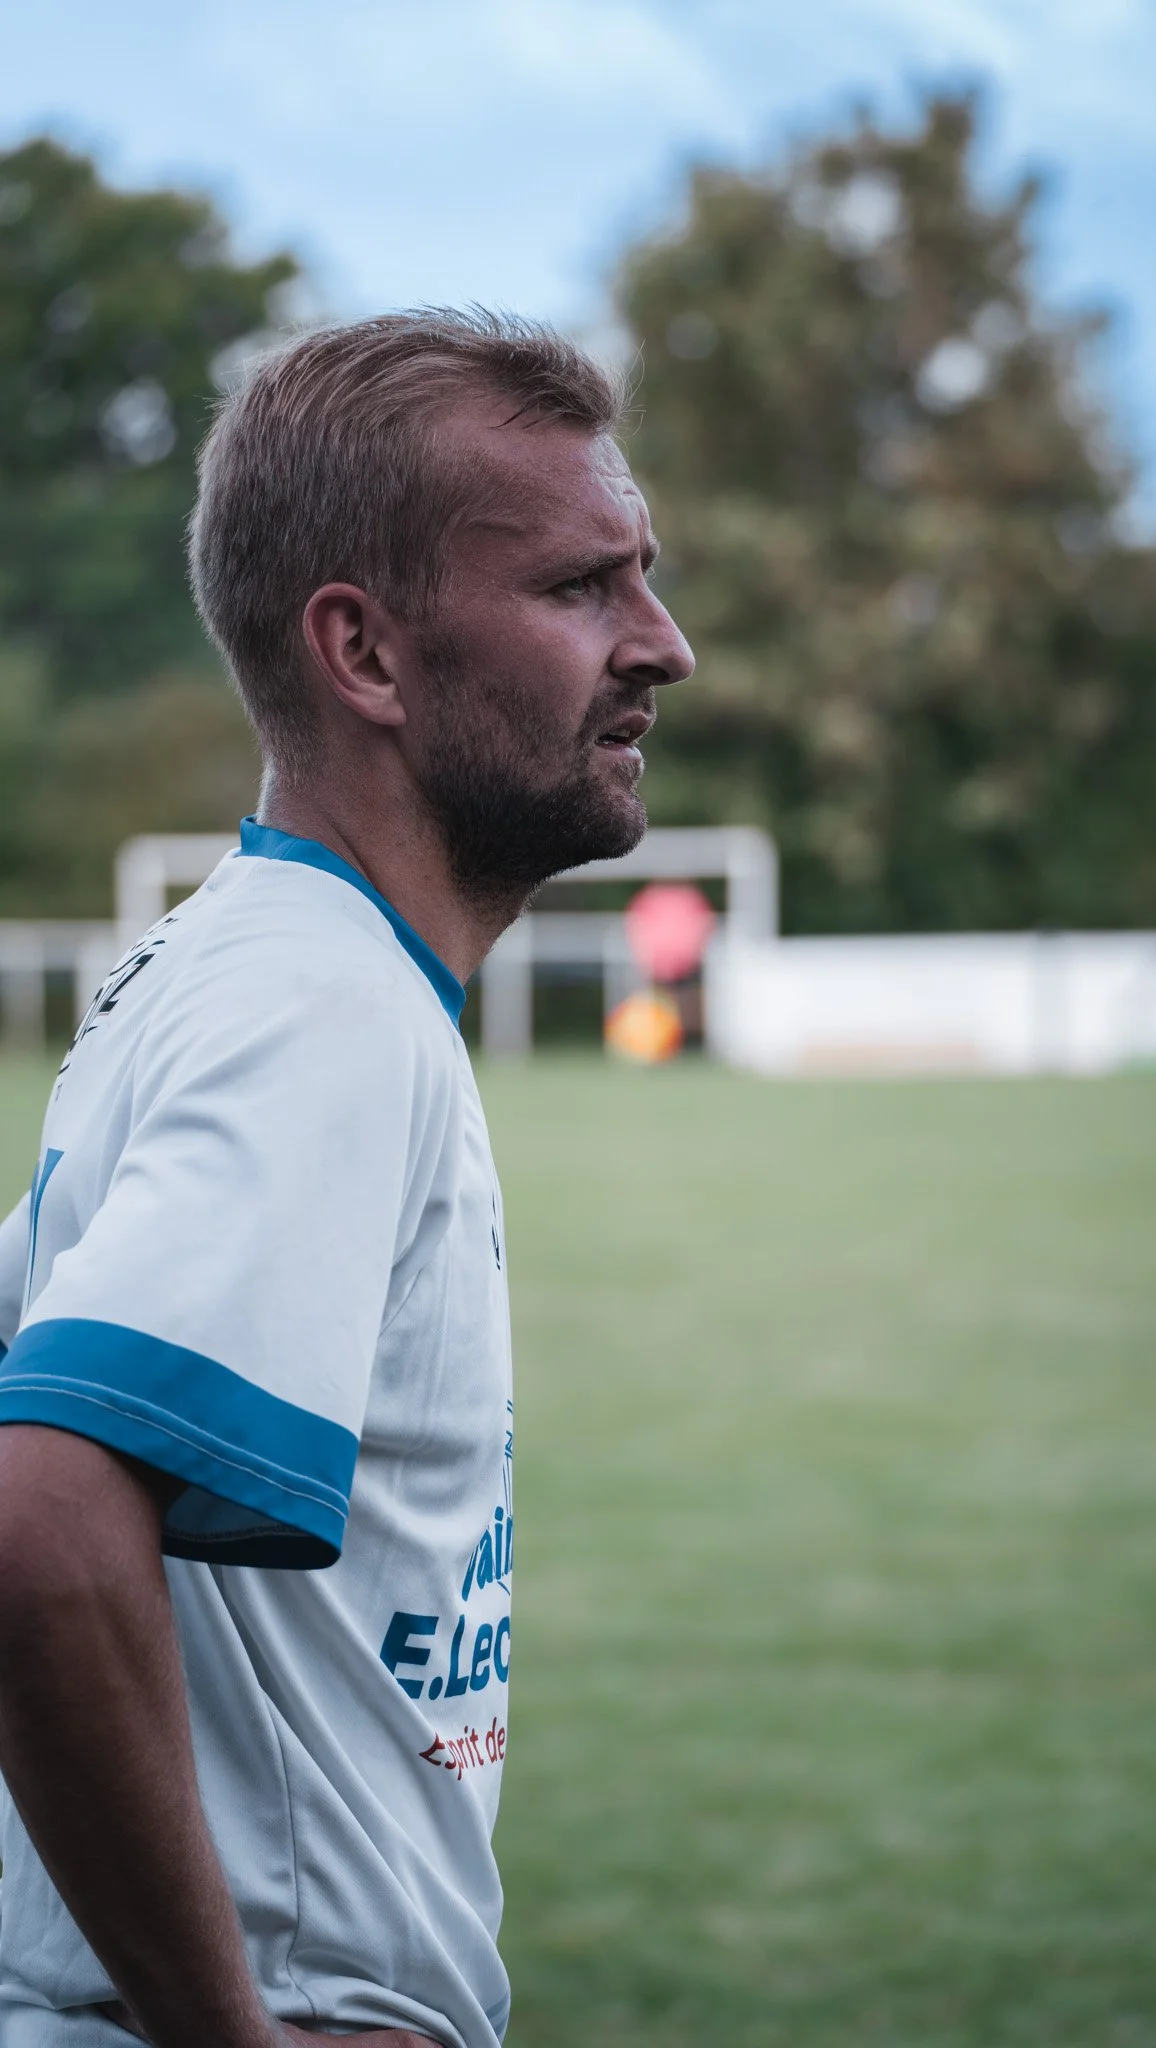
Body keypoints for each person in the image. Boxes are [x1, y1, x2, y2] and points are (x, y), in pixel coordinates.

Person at [0, 310, 694, 2048]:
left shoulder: (219, 966)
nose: (662, 644)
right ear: (363, 653)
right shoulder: (321, 1009)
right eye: (581, 586)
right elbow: (39, 1523)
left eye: (646, 576)